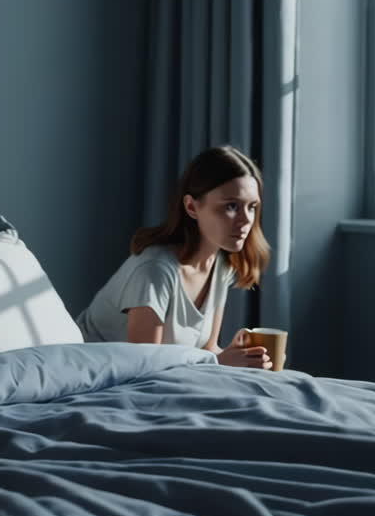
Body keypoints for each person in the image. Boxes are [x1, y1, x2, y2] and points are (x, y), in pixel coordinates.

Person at [77, 146, 272, 368]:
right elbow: (143, 367)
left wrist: (242, 357)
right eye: (231, 206)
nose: (246, 220)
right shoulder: (154, 271)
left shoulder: (221, 266)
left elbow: (207, 350)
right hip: (93, 374)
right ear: (191, 207)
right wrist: (218, 361)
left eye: (252, 207)